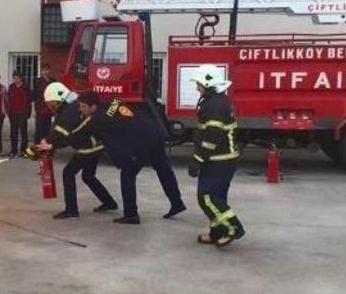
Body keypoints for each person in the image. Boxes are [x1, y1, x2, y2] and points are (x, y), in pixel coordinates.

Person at [78, 91, 186, 225]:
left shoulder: (98, 118)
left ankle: (131, 215)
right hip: (154, 131)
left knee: (127, 174)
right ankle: (177, 203)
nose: (80, 109)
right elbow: (118, 111)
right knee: (163, 169)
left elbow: (82, 133)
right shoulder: (112, 102)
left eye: (83, 106)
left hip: (142, 140)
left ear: (93, 106)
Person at [38, 83, 118, 219]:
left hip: (87, 147)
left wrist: (43, 148)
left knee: (68, 173)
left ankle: (71, 210)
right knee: (88, 176)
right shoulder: (74, 102)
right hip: (98, 145)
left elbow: (61, 137)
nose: (49, 106)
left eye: (51, 103)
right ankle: (109, 203)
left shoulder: (66, 114)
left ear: (57, 101)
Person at [188, 64, 245, 247]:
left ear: (207, 83)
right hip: (222, 158)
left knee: (206, 197)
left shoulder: (214, 105)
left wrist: (197, 159)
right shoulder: (217, 101)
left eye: (198, 84)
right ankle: (217, 232)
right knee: (217, 197)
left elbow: (212, 136)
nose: (196, 88)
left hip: (219, 159)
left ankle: (233, 227)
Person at [6, 71, 32, 157]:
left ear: (21, 78)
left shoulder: (26, 87)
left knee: (23, 133)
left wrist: (28, 113)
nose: (15, 80)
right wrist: (8, 111)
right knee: (13, 132)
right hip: (13, 113)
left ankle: (23, 150)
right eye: (14, 78)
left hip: (22, 113)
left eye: (17, 78)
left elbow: (29, 101)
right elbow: (8, 99)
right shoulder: (11, 87)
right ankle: (13, 150)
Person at [32, 63, 56, 145]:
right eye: (43, 70)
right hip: (40, 110)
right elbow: (33, 97)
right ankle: (37, 148)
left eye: (47, 70)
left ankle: (45, 149)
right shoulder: (38, 82)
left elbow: (57, 95)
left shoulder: (53, 81)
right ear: (41, 72)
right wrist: (34, 111)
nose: (45, 72)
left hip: (49, 110)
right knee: (39, 130)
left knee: (47, 130)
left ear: (50, 70)